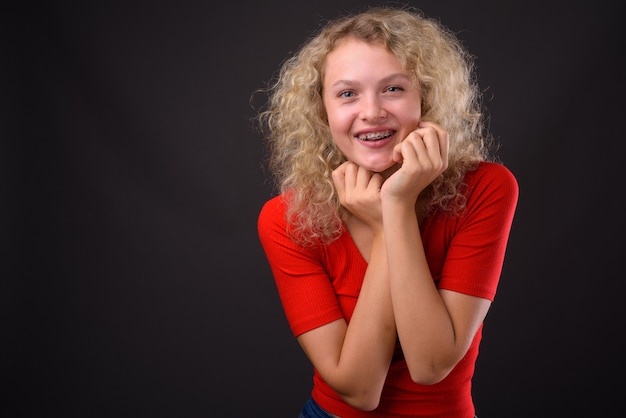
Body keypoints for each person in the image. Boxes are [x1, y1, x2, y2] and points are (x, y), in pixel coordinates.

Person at [255, 5, 518, 418]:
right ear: (322, 112)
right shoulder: (286, 218)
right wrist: (383, 232)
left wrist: (396, 206)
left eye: (393, 89)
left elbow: (431, 366)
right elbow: (360, 392)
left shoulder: (486, 187)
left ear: (425, 97)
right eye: (347, 93)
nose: (372, 111)